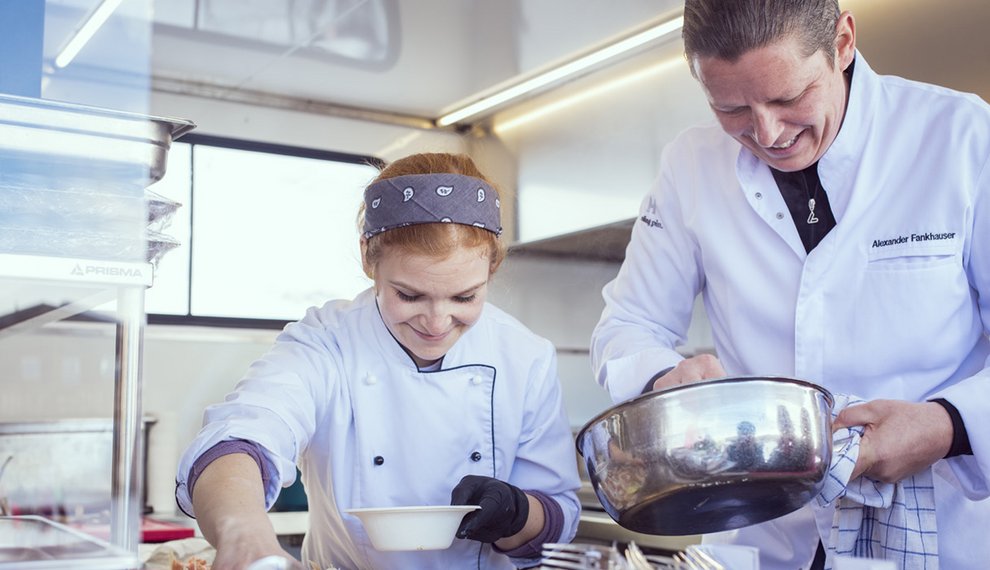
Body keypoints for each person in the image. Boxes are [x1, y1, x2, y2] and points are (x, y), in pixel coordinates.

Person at [590, 1, 990, 568]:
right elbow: (627, 326)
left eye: (788, 98)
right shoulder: (690, 165)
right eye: (731, 108)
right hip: (767, 535)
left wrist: (947, 424)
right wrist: (662, 377)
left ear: (843, 41)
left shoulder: (963, 139)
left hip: (944, 533)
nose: (768, 132)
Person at [175, 152, 581, 569]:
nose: (437, 322)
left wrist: (518, 513)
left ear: (492, 268)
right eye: (409, 295)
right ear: (369, 258)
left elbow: (560, 517)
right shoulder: (327, 341)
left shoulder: (524, 356)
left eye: (465, 297)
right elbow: (242, 436)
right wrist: (244, 537)